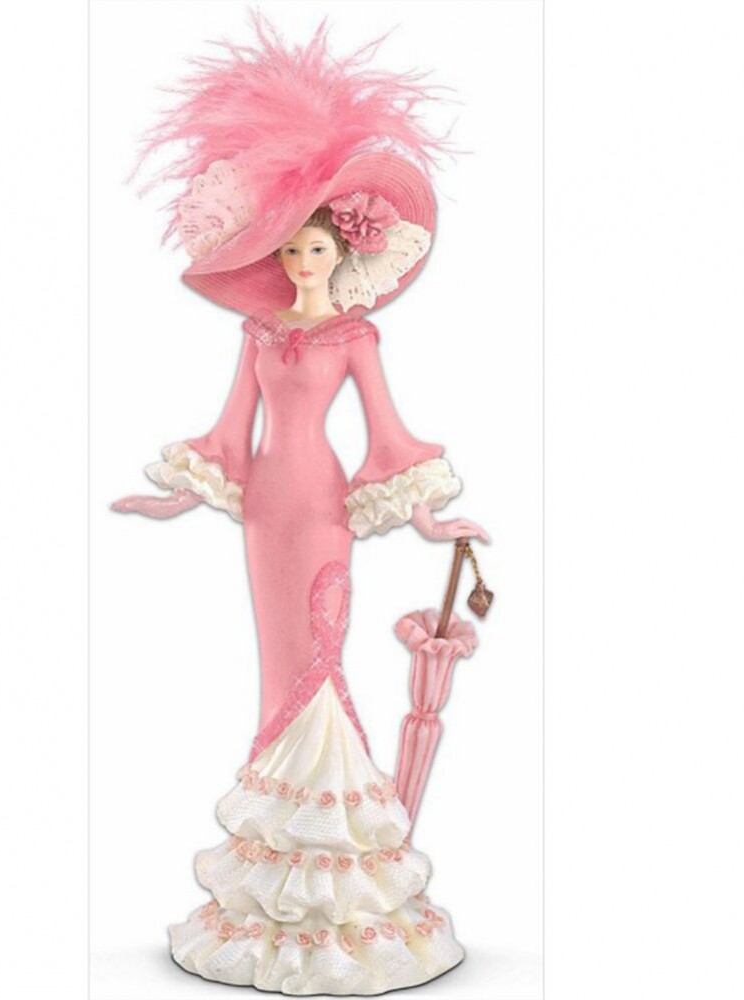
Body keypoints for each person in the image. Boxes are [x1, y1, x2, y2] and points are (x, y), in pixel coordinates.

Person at [112, 15, 488, 994]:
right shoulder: (257, 336)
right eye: (290, 249)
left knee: (321, 660)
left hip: (322, 507)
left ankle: (337, 865)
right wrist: (173, 497)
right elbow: (228, 434)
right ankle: (275, 873)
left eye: (316, 247)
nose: (302, 263)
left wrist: (429, 518)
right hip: (263, 511)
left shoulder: (355, 338)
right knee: (276, 664)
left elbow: (387, 440)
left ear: (341, 251)